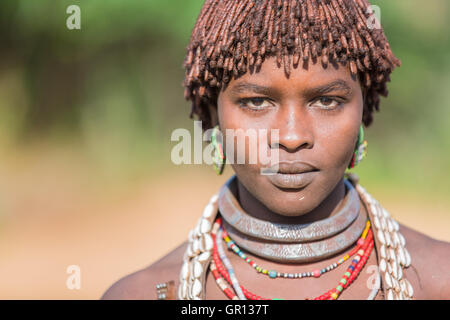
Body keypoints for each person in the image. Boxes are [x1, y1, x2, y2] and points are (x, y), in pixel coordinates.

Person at [101, 0, 450, 300]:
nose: (292, 136)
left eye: (327, 100)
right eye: (256, 101)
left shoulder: (437, 282)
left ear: (364, 105)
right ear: (212, 114)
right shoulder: (149, 292)